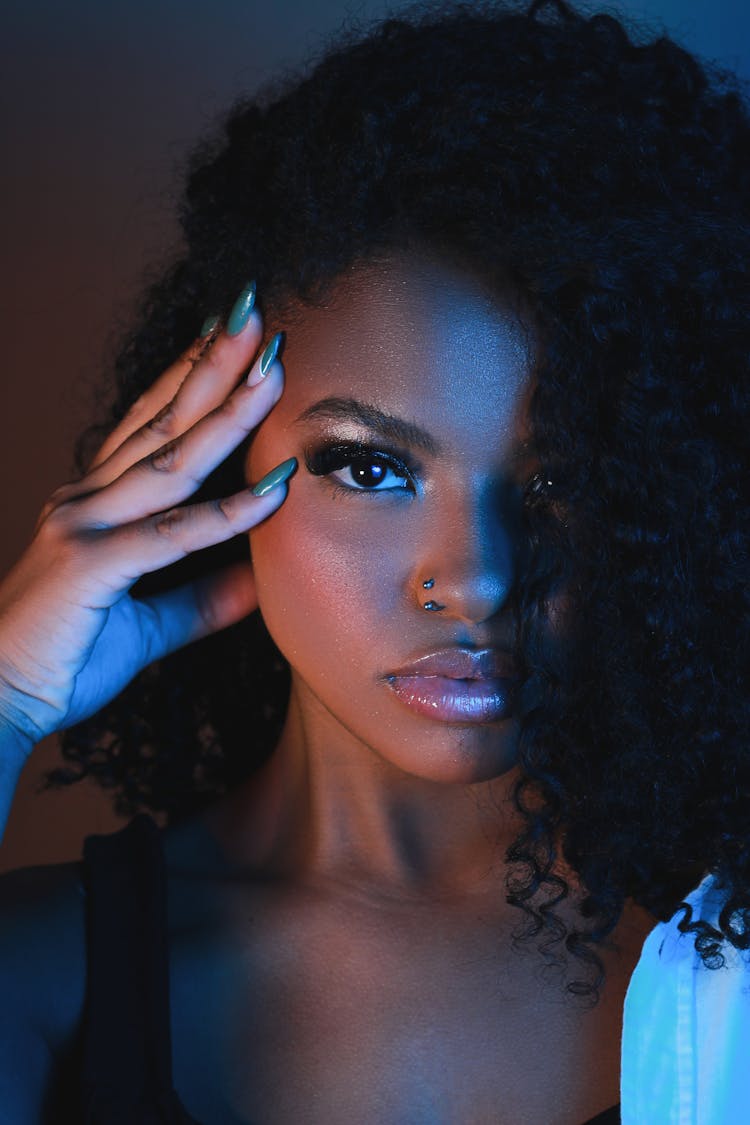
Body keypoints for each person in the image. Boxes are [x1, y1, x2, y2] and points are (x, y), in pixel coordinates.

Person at [0, 0, 747, 1120]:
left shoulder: (724, 960)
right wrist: (4, 700)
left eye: (567, 482)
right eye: (369, 468)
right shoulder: (47, 975)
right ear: (209, 473)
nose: (476, 579)